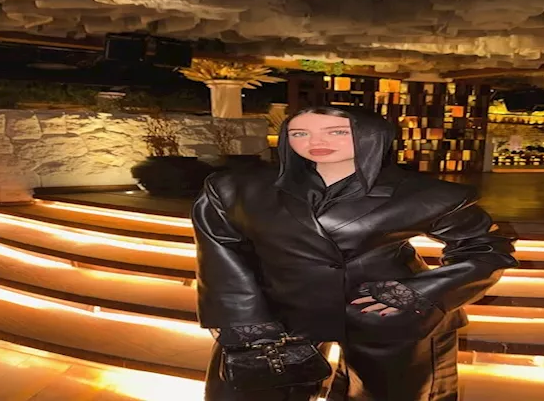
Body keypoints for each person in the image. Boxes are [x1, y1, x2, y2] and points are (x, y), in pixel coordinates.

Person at [191, 106, 518, 401]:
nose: (315, 141)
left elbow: (487, 247)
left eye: (336, 132)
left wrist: (420, 292)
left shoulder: (427, 194)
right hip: (278, 307)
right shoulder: (234, 188)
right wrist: (242, 318)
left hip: (381, 310)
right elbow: (221, 251)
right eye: (300, 133)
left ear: (372, 135)